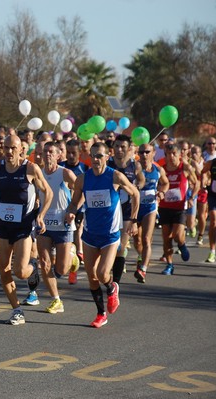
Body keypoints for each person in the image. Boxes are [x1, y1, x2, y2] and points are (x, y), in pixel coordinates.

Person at [0, 135, 53, 325]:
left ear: (21, 150)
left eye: (12, 148)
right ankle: (17, 310)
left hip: (24, 225)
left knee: (21, 271)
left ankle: (33, 267)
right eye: (5, 148)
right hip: (2, 225)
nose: (8, 152)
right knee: (4, 269)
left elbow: (48, 192)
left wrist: (40, 215)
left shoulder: (30, 168)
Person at [64, 142, 139, 328]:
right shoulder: (83, 179)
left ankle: (112, 287)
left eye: (100, 156)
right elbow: (75, 202)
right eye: (93, 156)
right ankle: (100, 314)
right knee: (91, 277)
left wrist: (134, 219)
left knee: (103, 273)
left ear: (107, 156)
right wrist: (71, 211)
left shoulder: (115, 177)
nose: (96, 160)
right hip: (90, 234)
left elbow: (135, 193)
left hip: (110, 234)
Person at [37, 142, 77, 313]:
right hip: (44, 223)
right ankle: (56, 300)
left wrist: (72, 209)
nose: (48, 154)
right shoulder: (38, 173)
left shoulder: (65, 173)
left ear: (59, 155)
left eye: (51, 152)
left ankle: (73, 256)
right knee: (45, 263)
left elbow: (80, 189)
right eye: (45, 151)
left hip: (63, 224)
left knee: (62, 269)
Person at [107, 135, 144, 284]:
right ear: (113, 147)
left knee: (121, 247)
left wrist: (136, 187)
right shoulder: (107, 164)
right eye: (117, 146)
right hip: (109, 211)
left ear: (129, 149)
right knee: (108, 246)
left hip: (127, 211)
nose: (119, 149)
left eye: (123, 147)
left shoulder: (134, 165)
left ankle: (115, 283)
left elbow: (141, 179)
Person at [158, 143, 198, 275]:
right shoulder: (162, 170)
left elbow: (196, 183)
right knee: (166, 238)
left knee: (175, 235)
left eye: (174, 153)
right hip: (164, 206)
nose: (171, 157)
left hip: (180, 207)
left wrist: (191, 197)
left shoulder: (184, 168)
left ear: (179, 155)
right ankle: (169, 265)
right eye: (168, 154)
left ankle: (181, 245)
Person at [133, 143, 169, 283]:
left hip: (150, 208)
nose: (144, 155)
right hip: (135, 208)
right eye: (141, 152)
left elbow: (165, 183)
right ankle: (141, 256)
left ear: (153, 152)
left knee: (147, 239)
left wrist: (162, 192)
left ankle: (143, 269)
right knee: (137, 240)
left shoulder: (158, 169)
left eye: (147, 152)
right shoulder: (133, 168)